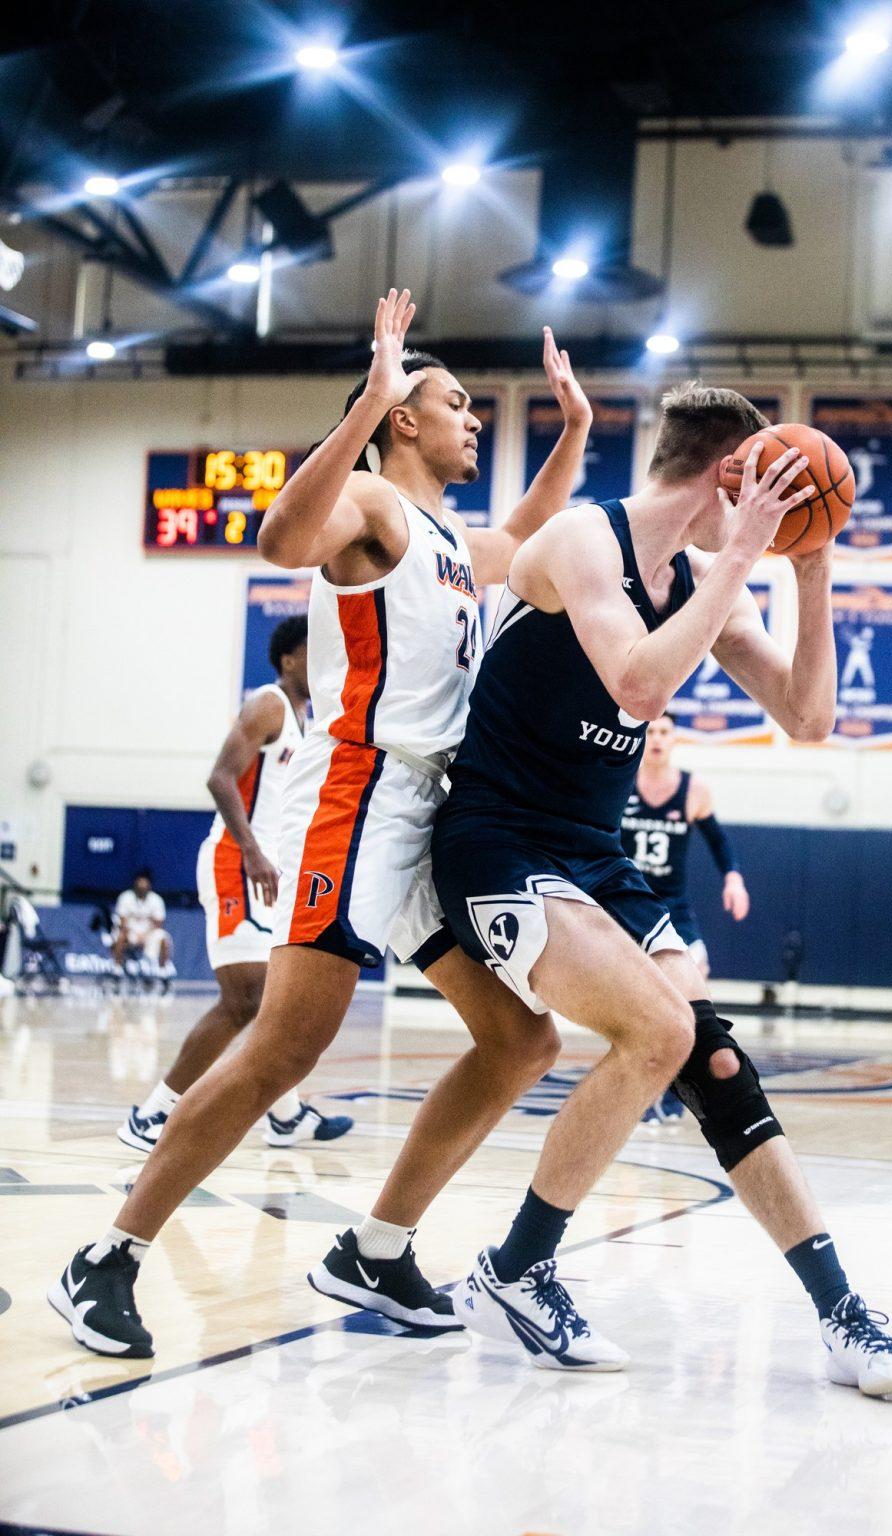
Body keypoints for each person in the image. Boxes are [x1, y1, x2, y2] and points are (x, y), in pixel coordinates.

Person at [48, 288, 592, 1358]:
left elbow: (528, 531)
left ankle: (376, 1250)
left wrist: (573, 427)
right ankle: (104, 1260)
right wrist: (367, 399)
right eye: (454, 403)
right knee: (281, 1051)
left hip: (428, 814)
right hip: (363, 801)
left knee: (522, 1038)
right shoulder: (371, 508)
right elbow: (276, 537)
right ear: (402, 418)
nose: (473, 417)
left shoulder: (442, 535)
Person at [430, 383, 892, 1393]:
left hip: (594, 857)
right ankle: (520, 1266)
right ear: (728, 476)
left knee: (711, 1062)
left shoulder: (708, 578)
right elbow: (640, 685)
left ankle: (842, 1316)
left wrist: (816, 564)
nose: (779, 506)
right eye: (767, 484)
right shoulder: (579, 543)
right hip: (497, 842)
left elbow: (810, 715)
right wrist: (745, 551)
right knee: (657, 1033)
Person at [116, 616, 354, 1155]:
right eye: (311, 651)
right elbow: (220, 777)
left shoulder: (307, 720)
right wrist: (251, 849)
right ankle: (151, 1113)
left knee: (275, 1001)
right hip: (236, 860)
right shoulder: (268, 704)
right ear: (289, 659)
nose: (321, 661)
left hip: (272, 868)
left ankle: (287, 1117)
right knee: (245, 998)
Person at [620, 712, 749, 980]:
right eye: (650, 732)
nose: (656, 739)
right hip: (624, 896)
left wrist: (733, 879)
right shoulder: (620, 782)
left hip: (671, 902)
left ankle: (691, 1022)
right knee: (616, 974)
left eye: (664, 733)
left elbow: (717, 839)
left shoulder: (694, 789)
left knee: (697, 969)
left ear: (674, 739)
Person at [112, 871, 174, 990]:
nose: (142, 885)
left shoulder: (156, 900)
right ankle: (117, 970)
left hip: (149, 933)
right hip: (131, 932)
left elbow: (159, 923)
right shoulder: (125, 897)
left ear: (149, 885)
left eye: (144, 883)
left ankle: (163, 972)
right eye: (139, 882)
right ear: (135, 884)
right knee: (120, 936)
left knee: (163, 938)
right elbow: (122, 921)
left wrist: (145, 936)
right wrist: (132, 933)